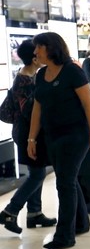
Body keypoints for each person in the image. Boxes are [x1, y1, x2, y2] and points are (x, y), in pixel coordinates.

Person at [28, 32, 90, 249]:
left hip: (75, 135)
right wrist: (32, 137)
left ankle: (65, 235)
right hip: (53, 135)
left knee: (65, 182)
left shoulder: (72, 71)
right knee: (67, 178)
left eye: (38, 47)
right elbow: (37, 108)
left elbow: (88, 104)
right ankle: (81, 222)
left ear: (50, 48)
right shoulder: (41, 75)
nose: (35, 52)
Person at [0, 40, 57, 235]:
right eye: (39, 51)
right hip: (26, 133)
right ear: (34, 57)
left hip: (30, 132)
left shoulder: (31, 76)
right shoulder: (25, 80)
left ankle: (34, 214)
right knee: (37, 174)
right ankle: (10, 211)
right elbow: (29, 111)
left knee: (37, 171)